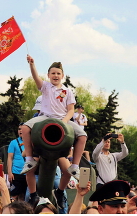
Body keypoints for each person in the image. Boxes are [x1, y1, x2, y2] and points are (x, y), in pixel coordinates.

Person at [20, 56, 87, 203]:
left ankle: (75, 165)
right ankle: (29, 159)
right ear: (48, 75)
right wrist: (32, 64)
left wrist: (63, 123)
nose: (55, 76)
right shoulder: (45, 87)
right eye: (53, 73)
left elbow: (71, 110)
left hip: (62, 119)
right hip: (45, 117)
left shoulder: (67, 91)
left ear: (62, 76)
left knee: (82, 135)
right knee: (25, 127)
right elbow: (35, 78)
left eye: (58, 73)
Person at [7, 123, 28, 201]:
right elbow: (9, 158)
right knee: (14, 195)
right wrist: (9, 172)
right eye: (19, 129)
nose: (20, 131)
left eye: (22, 129)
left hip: (29, 173)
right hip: (16, 172)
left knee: (25, 196)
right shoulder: (13, 142)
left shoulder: (31, 142)